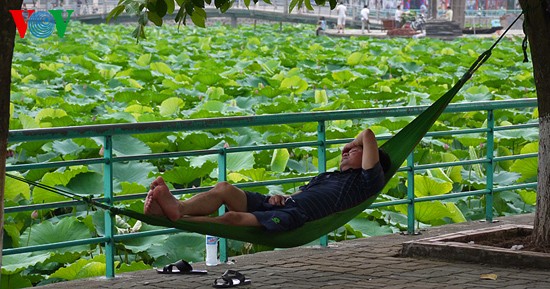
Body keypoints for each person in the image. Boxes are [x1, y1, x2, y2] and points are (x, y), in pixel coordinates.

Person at [144, 128, 391, 233]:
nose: (346, 151)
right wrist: (283, 197)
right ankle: (178, 208)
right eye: (345, 150)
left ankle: (177, 218)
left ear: (372, 160)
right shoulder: (330, 176)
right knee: (224, 189)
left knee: (231, 217)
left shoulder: (366, 181)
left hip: (296, 217)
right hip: (282, 205)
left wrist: (353, 143)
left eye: (353, 151)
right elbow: (302, 194)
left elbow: (367, 135)